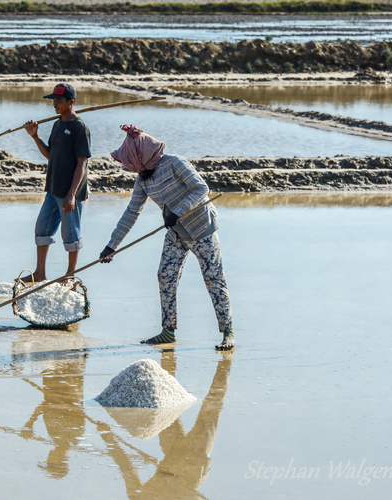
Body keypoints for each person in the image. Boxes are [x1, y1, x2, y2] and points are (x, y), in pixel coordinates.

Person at [98, 125, 234, 351]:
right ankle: (168, 331)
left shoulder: (175, 163)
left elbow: (201, 188)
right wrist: (111, 246)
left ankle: (228, 332)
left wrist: (178, 212)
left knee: (214, 279)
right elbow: (131, 213)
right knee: (165, 276)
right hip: (176, 234)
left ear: (139, 157)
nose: (128, 166)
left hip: (201, 229)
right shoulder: (143, 180)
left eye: (128, 161)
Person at [21, 83, 90, 283]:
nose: (55, 104)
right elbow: (51, 155)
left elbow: (82, 163)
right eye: (53, 100)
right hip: (53, 190)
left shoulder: (79, 128)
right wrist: (35, 137)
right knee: (42, 228)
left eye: (59, 101)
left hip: (70, 192)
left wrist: (71, 195)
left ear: (71, 102)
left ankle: (69, 276)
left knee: (71, 234)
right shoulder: (58, 124)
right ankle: (40, 273)